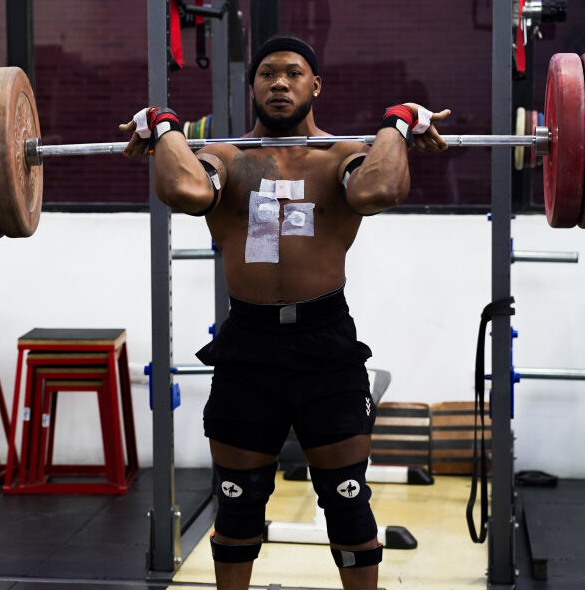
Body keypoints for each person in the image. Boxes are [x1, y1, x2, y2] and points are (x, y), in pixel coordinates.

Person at [120, 35, 449, 590]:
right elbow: (183, 190)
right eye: (267, 73)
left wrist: (397, 122)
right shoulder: (223, 157)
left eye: (293, 73)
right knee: (237, 505)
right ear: (251, 87)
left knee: (347, 499)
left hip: (327, 344)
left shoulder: (345, 155)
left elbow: (383, 188)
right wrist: (164, 127)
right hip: (248, 344)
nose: (279, 82)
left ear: (314, 85)